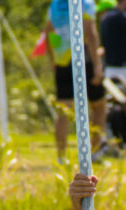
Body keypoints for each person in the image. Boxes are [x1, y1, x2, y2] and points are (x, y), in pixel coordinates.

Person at [45, 0, 106, 163]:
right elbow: (91, 33)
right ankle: (94, 152)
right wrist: (98, 66)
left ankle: (61, 155)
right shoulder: (85, 3)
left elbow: (48, 32)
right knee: (99, 107)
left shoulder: (55, 5)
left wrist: (53, 59)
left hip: (62, 61)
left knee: (64, 111)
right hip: (83, 60)